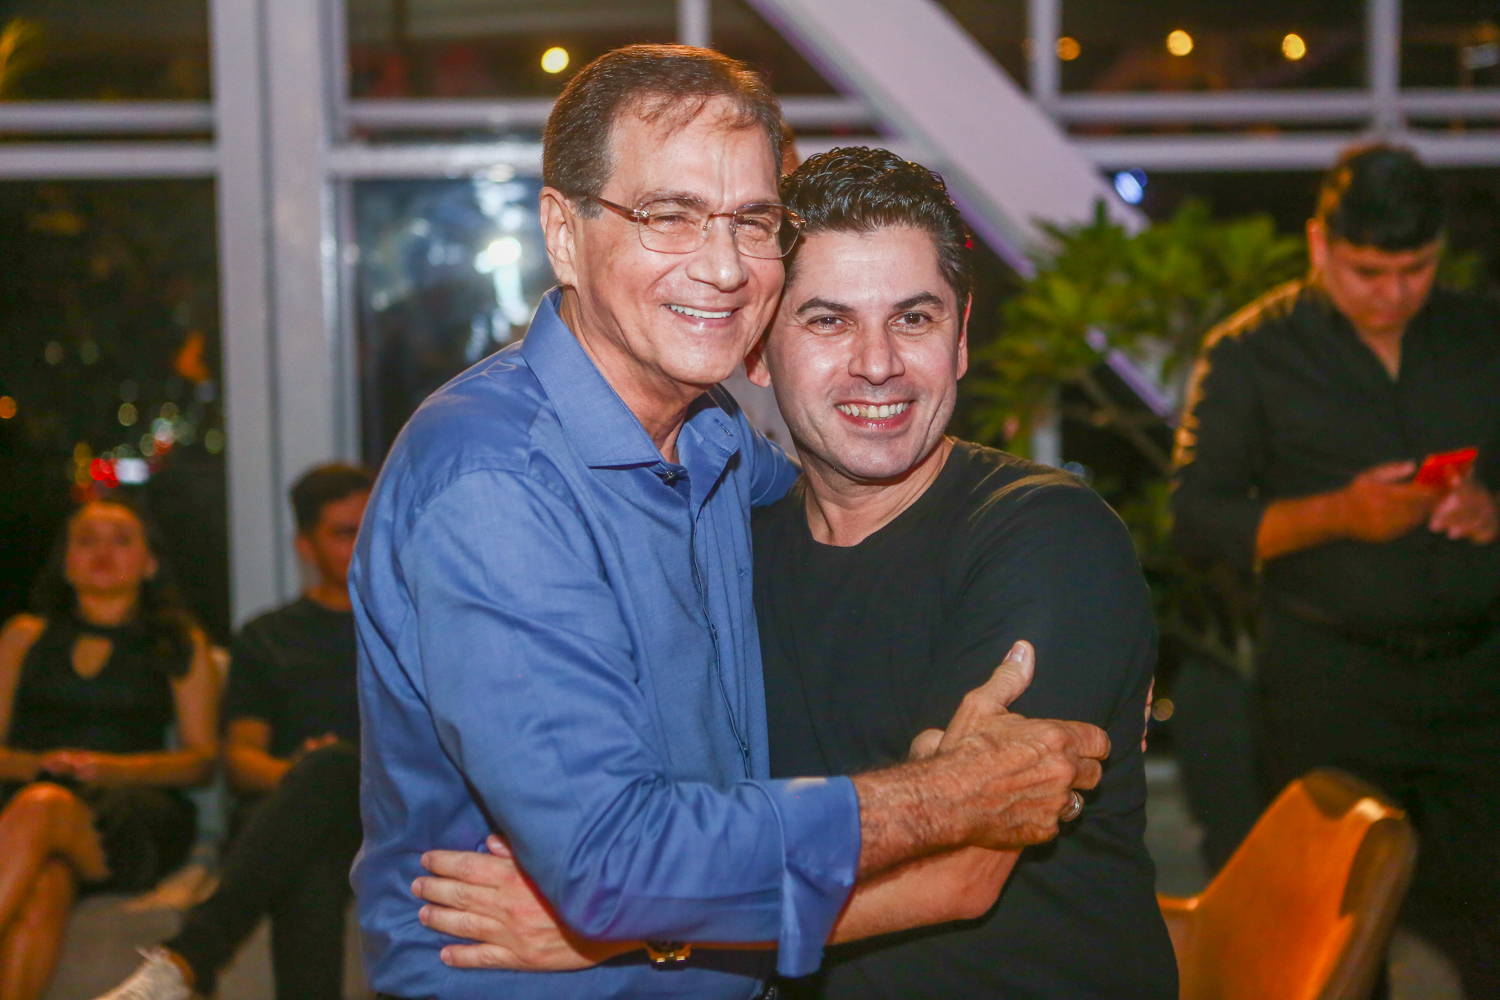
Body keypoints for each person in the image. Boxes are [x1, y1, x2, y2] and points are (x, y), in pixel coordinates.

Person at [351, 44, 1111, 1000]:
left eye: (752, 222)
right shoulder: (495, 481)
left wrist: (1063, 570)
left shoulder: (712, 440)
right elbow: (615, 865)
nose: (721, 267)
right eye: (668, 216)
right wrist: (951, 794)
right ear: (563, 232)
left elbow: (857, 490)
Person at [1172, 143, 1500, 996]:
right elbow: (1197, 519)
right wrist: (1340, 514)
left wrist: (1491, 508)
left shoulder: (1482, 334)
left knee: (1488, 916)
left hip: (1479, 672)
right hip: (1330, 680)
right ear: (1320, 245)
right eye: (1368, 272)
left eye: (1415, 269)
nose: (1393, 294)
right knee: (1340, 933)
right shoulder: (1251, 351)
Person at [95, 463, 373, 1000]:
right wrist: (303, 775)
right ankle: (188, 960)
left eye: (371, 527)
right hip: (290, 811)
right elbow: (241, 758)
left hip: (388, 812)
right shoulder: (268, 636)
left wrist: (330, 769)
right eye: (344, 532)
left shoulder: (410, 626)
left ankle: (189, 958)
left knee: (336, 764)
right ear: (305, 546)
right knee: (312, 859)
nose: (363, 543)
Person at [0, 497, 219, 1000]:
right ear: (65, 562)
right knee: (46, 886)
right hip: (26, 801)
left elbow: (201, 762)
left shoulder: (179, 640)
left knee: (43, 804)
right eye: (86, 541)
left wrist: (112, 769)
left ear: (150, 562)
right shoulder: (23, 636)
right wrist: (34, 764)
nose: (103, 552)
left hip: (131, 810)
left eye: (121, 541)